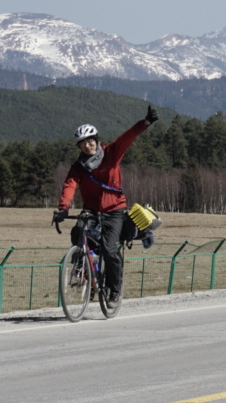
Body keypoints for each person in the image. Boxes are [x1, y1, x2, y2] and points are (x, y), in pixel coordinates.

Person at [54, 105, 159, 301]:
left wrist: (144, 123)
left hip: (114, 211)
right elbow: (70, 185)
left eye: (90, 141)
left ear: (96, 140)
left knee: (110, 250)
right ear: (79, 147)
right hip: (91, 211)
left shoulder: (111, 154)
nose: (88, 146)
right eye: (83, 143)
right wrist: (63, 208)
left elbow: (127, 138)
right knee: (78, 232)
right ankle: (85, 269)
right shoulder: (78, 167)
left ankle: (114, 289)